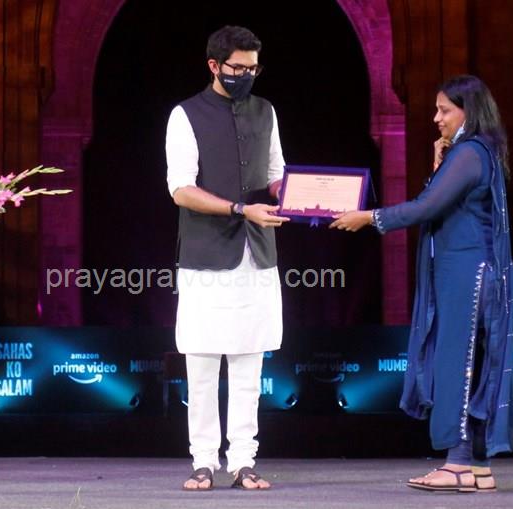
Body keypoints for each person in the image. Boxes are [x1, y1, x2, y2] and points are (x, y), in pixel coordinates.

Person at [330, 74, 513, 493]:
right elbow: (443, 205)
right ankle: (478, 466)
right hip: (470, 271)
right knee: (474, 365)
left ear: (468, 112)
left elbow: (426, 208)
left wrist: (370, 218)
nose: (436, 118)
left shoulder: (470, 153)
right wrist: (438, 165)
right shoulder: (473, 152)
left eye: (444, 110)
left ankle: (457, 464)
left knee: (458, 364)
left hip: (470, 274)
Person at [165, 25, 289, 491]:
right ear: (214, 65)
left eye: (254, 68)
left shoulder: (265, 111)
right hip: (205, 255)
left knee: (248, 362)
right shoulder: (185, 115)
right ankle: (203, 461)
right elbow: (181, 189)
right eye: (238, 68)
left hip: (257, 253)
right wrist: (239, 208)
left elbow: (276, 174)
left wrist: (308, 194)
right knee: (201, 362)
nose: (247, 76)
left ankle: (243, 461)